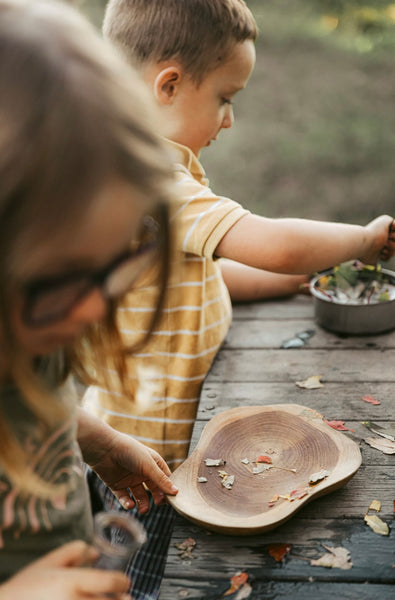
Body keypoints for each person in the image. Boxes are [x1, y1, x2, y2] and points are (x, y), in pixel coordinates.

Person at [83, 1, 395, 598]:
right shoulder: (152, 180)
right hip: (150, 453)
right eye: (226, 97)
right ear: (168, 85)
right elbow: (272, 242)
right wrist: (360, 241)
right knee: (145, 581)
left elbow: (204, 270)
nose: (229, 121)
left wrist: (287, 282)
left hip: (151, 425)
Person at [0, 0, 179, 597]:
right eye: (61, 278)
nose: (96, 308)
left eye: (114, 264)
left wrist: (93, 438)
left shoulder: (31, 335)